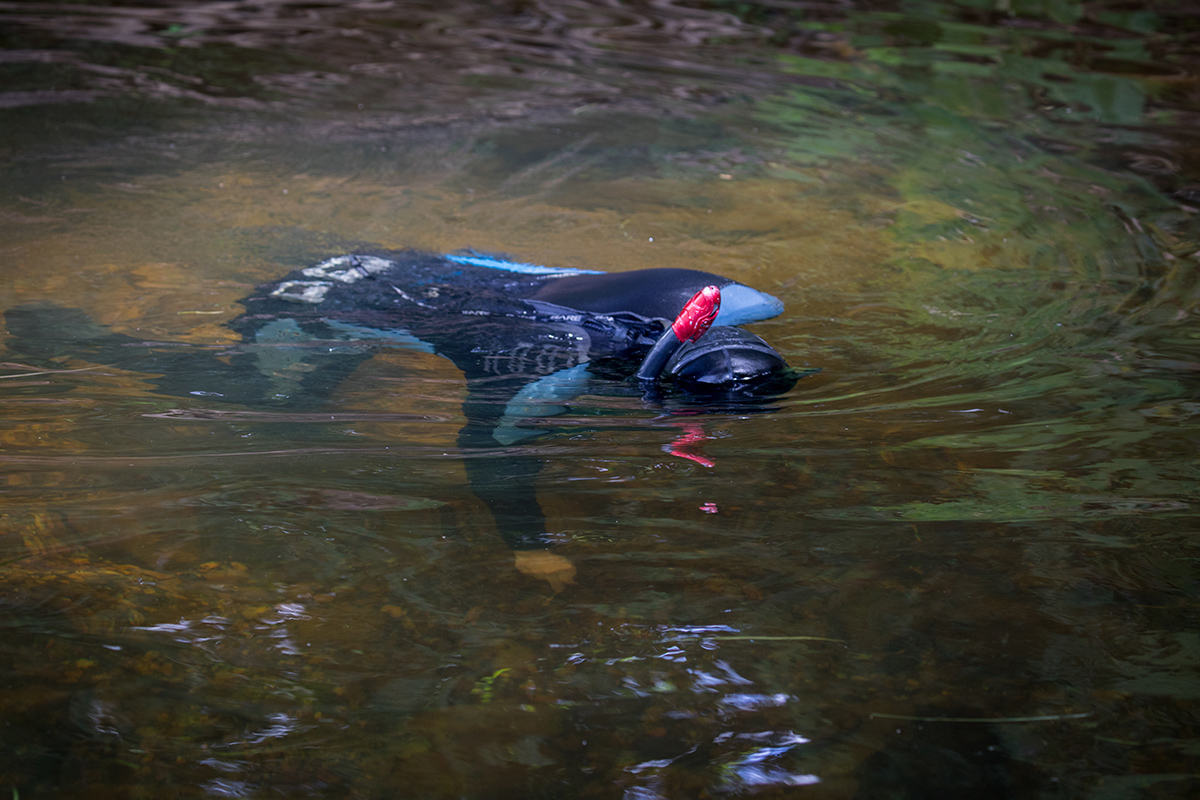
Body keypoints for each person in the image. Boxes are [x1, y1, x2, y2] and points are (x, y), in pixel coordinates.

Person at [4, 248, 803, 589]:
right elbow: (492, 450)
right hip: (333, 294)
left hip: (443, 266)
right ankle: (70, 337)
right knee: (261, 399)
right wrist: (529, 547)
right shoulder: (540, 364)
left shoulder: (711, 297)